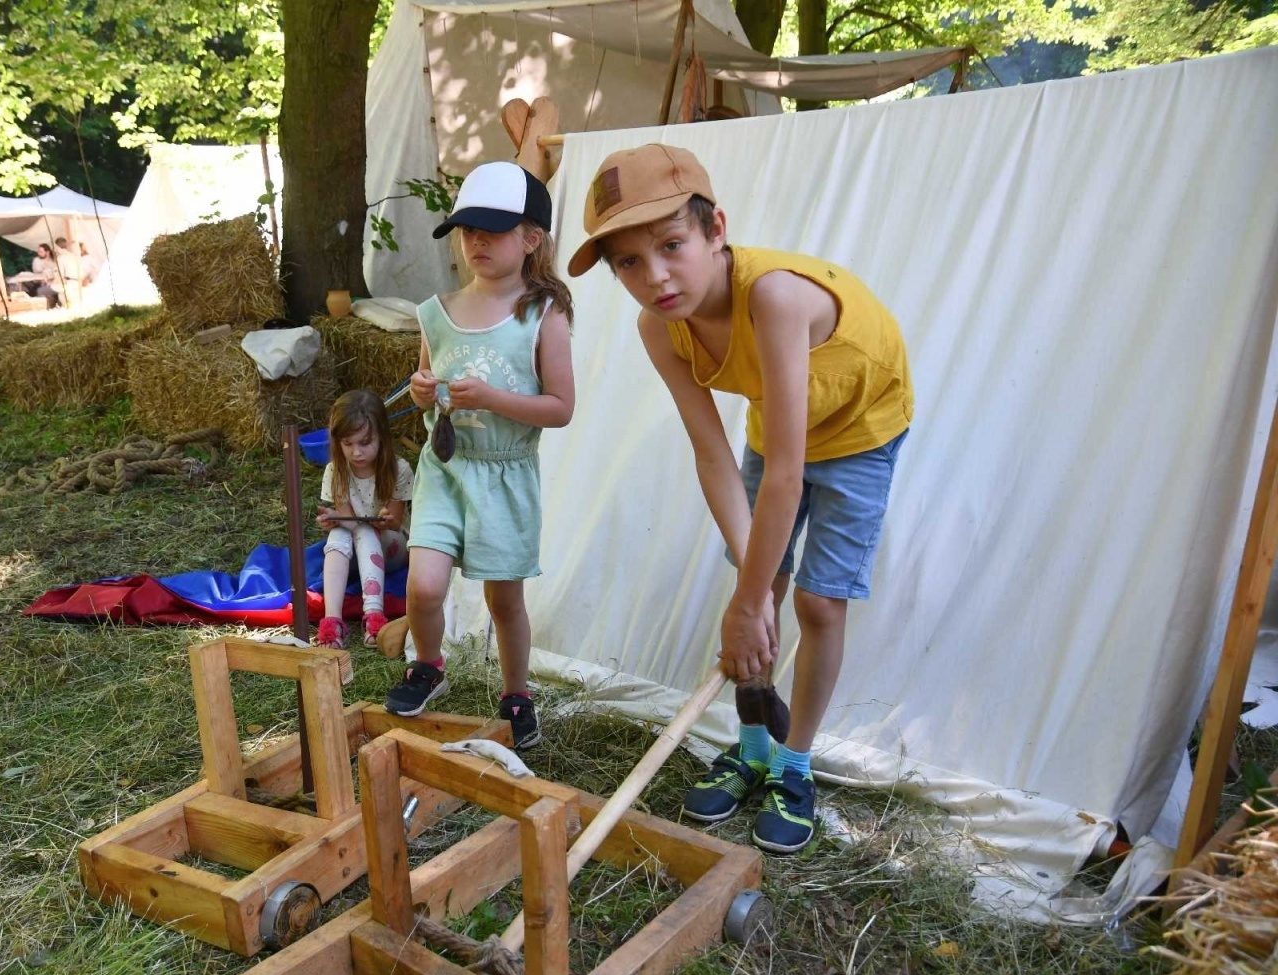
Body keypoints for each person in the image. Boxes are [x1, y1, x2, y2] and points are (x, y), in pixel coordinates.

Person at [570, 144, 912, 853]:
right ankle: (754, 743)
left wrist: (751, 603)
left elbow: (788, 474)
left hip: (859, 426)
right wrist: (752, 587)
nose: (655, 277)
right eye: (629, 263)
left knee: (814, 601)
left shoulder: (777, 298)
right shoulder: (658, 327)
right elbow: (711, 452)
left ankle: (794, 765)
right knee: (759, 571)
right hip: (779, 420)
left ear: (715, 229)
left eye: (671, 246)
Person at [385, 161, 575, 751]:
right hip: (443, 468)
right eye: (468, 230)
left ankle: (516, 692)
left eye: (493, 229)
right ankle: (429, 664)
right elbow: (426, 384)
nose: (477, 241)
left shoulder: (543, 314)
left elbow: (561, 407)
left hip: (505, 475)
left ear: (531, 238)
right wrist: (422, 392)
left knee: (503, 598)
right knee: (424, 587)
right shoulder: (435, 312)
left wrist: (494, 398)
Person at [314, 390, 415, 649]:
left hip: (393, 546)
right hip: (357, 548)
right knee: (339, 534)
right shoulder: (336, 470)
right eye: (348, 444)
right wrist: (335, 519)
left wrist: (385, 520)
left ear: (381, 436)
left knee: (366, 532)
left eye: (364, 442)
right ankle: (332, 621)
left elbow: (395, 522)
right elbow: (348, 520)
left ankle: (374, 614)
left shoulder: (398, 468)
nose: (356, 452)